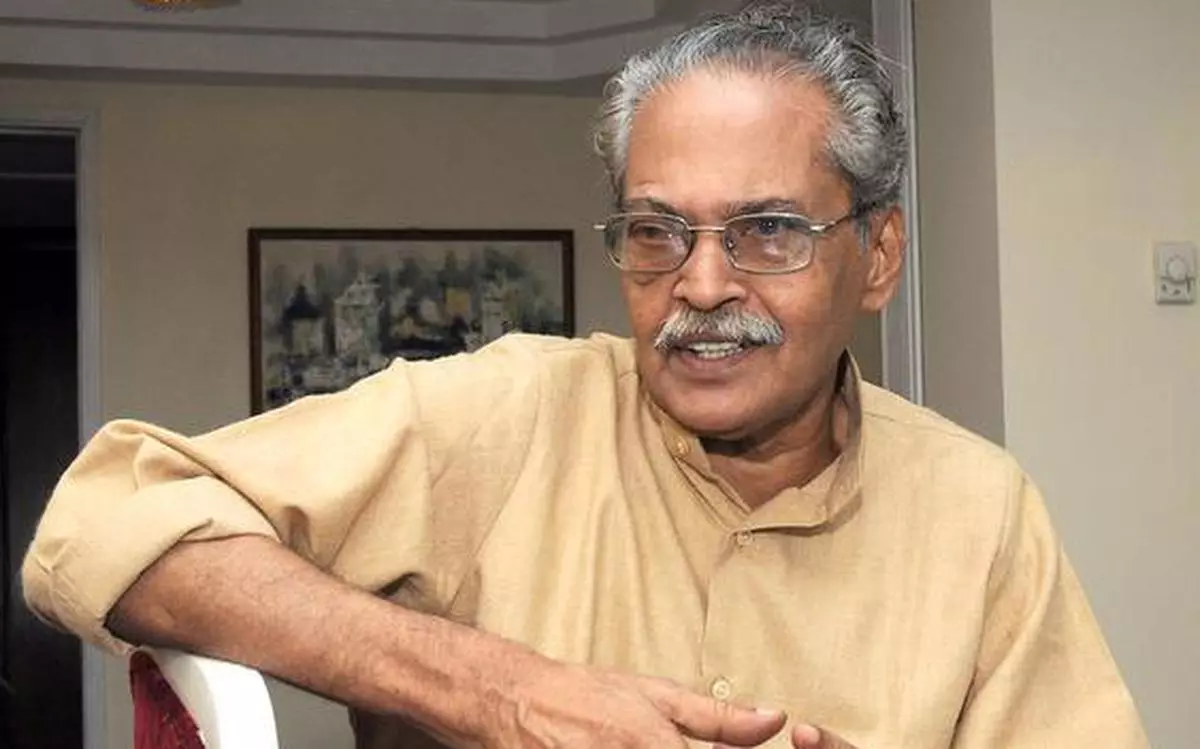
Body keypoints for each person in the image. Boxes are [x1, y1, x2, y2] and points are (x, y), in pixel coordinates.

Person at [23, 4, 1148, 748]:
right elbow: (103, 514)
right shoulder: (510, 413)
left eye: (765, 231)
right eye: (657, 231)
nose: (700, 284)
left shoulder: (979, 509)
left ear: (879, 256)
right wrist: (498, 689)